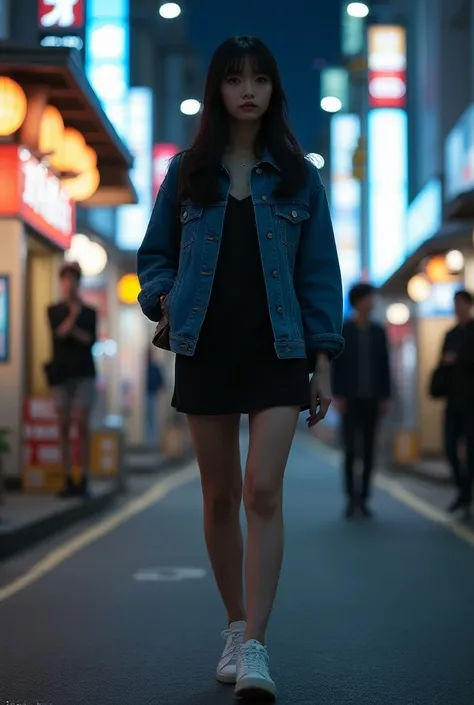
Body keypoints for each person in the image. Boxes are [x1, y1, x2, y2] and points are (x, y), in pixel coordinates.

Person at [137, 36, 344, 700]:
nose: (246, 89)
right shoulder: (187, 172)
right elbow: (155, 255)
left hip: (278, 350)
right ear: (219, 90)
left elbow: (319, 275)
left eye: (257, 78)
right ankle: (232, 624)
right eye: (233, 78)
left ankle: (255, 644)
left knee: (263, 489)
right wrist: (160, 296)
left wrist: (323, 359)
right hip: (205, 345)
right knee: (220, 495)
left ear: (273, 89)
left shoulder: (297, 176)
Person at [331, 283, 391, 519]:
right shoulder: (345, 330)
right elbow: (337, 366)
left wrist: (386, 396)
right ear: (358, 301)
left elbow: (385, 366)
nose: (372, 302)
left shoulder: (378, 331)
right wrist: (337, 394)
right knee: (349, 449)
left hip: (373, 399)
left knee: (368, 449)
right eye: (368, 298)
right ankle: (350, 497)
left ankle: (364, 497)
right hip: (350, 398)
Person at [46, 262, 97, 499]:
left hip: (84, 374)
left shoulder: (90, 312)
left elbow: (89, 340)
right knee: (63, 425)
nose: (68, 285)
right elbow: (60, 333)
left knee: (82, 424)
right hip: (60, 376)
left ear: (79, 283)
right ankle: (67, 478)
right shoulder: (54, 310)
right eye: (64, 281)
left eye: (72, 281)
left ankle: (84, 478)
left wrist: (74, 324)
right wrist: (74, 319)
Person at [437, 289, 474, 516]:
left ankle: (466, 495)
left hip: (472, 401)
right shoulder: (450, 334)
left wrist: (458, 359)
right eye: (455, 304)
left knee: (471, 450)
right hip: (453, 400)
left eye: (461, 303)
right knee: (450, 448)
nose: (457, 307)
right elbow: (441, 364)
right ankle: (462, 491)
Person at [145, 348, 165, 445]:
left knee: (152, 418)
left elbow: (161, 383)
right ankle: (147, 440)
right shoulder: (143, 368)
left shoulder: (155, 367)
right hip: (144, 396)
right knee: (146, 419)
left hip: (152, 395)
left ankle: (152, 441)